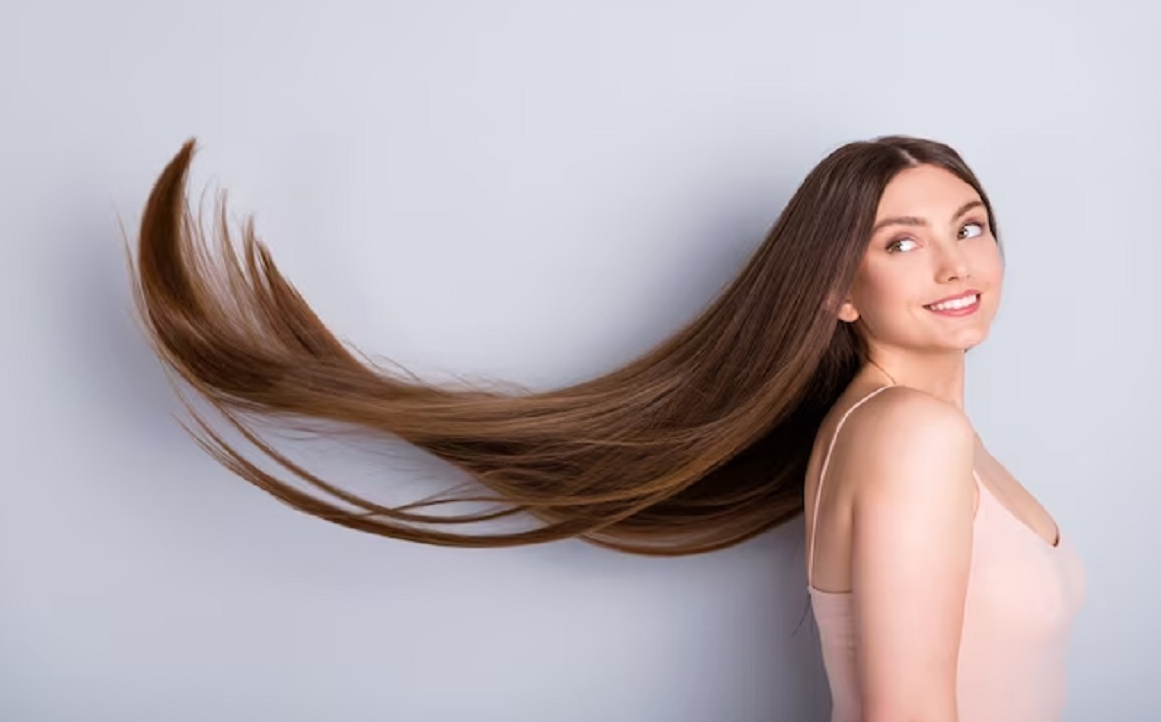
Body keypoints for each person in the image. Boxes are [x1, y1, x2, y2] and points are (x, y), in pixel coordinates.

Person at [126, 134, 1085, 720]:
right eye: (901, 243)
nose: (956, 265)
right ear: (839, 290)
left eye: (969, 226)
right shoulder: (911, 434)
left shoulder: (901, 430)